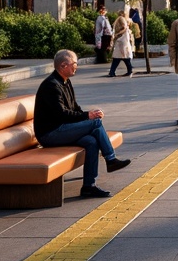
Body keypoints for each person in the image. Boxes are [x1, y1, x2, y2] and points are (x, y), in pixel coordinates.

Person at [34, 50, 130, 199]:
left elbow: (74, 108)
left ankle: (88, 187)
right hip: (50, 134)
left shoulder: (65, 81)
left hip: (63, 129)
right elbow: (62, 114)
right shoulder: (51, 86)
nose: (76, 67)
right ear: (63, 65)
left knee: (91, 142)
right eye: (74, 64)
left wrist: (89, 114)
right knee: (95, 123)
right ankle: (110, 159)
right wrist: (88, 116)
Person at [108, 10, 134, 77]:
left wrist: (116, 35)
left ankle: (113, 71)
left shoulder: (118, 19)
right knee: (122, 56)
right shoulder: (121, 19)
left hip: (121, 41)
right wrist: (118, 34)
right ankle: (129, 70)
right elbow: (124, 28)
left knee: (120, 57)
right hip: (123, 41)